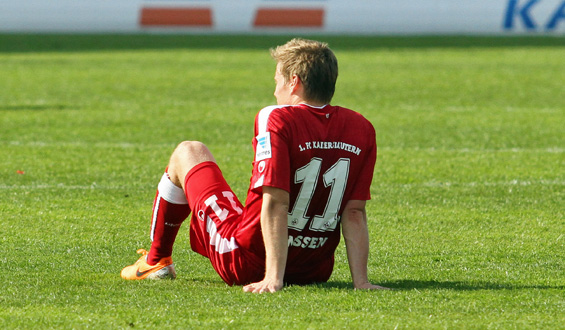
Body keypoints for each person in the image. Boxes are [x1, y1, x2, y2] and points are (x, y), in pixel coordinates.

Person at [121, 38, 388, 293]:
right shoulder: (361, 127)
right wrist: (361, 282)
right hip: (313, 269)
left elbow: (277, 202)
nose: (275, 90)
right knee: (242, 206)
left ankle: (156, 259)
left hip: (247, 261)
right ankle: (353, 278)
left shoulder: (276, 117)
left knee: (188, 151)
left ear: (293, 82)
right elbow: (354, 212)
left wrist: (272, 278)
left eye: (277, 81)